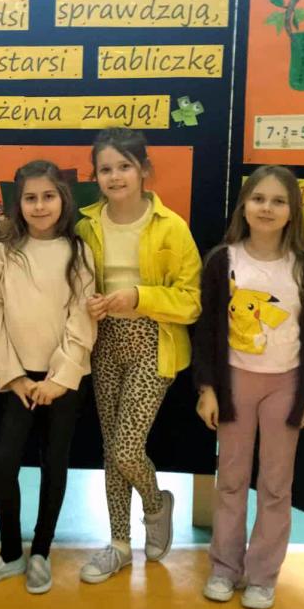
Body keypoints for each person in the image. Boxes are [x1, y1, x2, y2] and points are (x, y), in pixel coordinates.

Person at [193, 164, 304, 609]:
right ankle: (224, 568)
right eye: (258, 199)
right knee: (231, 480)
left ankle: (262, 576)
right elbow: (207, 331)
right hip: (234, 383)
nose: (267, 208)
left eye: (278, 201)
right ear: (244, 206)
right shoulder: (224, 261)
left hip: (286, 386)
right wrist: (207, 388)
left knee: (275, 484)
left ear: (292, 211)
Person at [75, 127, 202, 584]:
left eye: (124, 166)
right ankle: (118, 544)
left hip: (153, 342)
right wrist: (88, 304)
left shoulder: (171, 227)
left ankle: (155, 504)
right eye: (105, 169)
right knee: (111, 449)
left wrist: (139, 297)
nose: (114, 176)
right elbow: (71, 286)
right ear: (95, 175)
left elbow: (191, 301)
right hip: (103, 343)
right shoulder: (85, 225)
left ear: (143, 170)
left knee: (126, 449)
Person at [0, 161, 96, 594]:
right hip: (17, 379)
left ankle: (41, 551)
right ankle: (10, 553)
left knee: (54, 463)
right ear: (17, 204)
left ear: (63, 200)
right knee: (4, 463)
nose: (40, 206)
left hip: (63, 380)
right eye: (30, 198)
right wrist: (16, 376)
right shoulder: (1, 254)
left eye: (48, 196)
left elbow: (82, 318)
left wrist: (60, 377)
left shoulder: (78, 252)